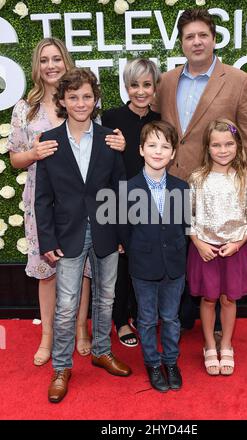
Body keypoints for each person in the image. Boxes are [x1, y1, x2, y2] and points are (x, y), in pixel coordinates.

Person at [8, 38, 125, 364]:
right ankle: (48, 337)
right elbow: (15, 157)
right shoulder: (25, 108)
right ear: (37, 66)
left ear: (65, 61)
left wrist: (120, 144)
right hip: (44, 199)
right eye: (44, 60)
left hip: (85, 207)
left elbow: (103, 159)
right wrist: (34, 153)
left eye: (56, 58)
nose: (50, 65)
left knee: (85, 269)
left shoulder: (84, 102)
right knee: (49, 269)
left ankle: (82, 330)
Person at [153, 8, 247, 332]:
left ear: (214, 39)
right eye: (189, 36)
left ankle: (218, 323)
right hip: (173, 186)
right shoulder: (166, 81)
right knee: (178, 255)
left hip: (221, 191)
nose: (197, 41)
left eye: (203, 35)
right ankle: (177, 320)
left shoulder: (238, 80)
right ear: (181, 43)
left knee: (219, 257)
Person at [35, 67, 131, 403]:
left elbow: (118, 190)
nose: (80, 102)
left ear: (95, 99)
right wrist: (47, 241)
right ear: (62, 100)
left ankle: (102, 351)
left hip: (106, 232)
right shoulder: (48, 142)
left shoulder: (108, 139)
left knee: (106, 297)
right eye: (73, 96)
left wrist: (122, 233)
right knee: (66, 306)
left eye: (87, 96)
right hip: (67, 234)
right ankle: (61, 367)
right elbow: (42, 198)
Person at [187, 119, 247, 376]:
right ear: (207, 148)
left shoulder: (244, 179)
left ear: (238, 146)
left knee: (229, 299)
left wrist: (238, 243)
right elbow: (187, 216)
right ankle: (208, 344)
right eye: (216, 145)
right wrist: (198, 242)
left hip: (234, 250)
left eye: (228, 144)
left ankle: (226, 343)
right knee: (208, 299)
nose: (223, 150)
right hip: (205, 250)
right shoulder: (197, 178)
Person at [124, 121, 189, 392]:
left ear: (173, 153)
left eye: (165, 146)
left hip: (174, 266)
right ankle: (152, 363)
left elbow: (183, 227)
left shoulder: (182, 187)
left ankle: (171, 361)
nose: (158, 151)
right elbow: (125, 231)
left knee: (172, 318)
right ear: (141, 150)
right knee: (147, 319)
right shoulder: (127, 188)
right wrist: (137, 252)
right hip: (143, 267)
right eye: (152, 145)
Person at [102, 59, 161, 347]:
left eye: (146, 85)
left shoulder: (161, 121)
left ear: (155, 87)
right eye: (135, 84)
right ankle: (121, 320)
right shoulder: (110, 118)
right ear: (126, 86)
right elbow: (103, 166)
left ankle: (140, 314)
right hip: (120, 203)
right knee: (121, 266)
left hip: (152, 203)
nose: (140, 91)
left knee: (145, 262)